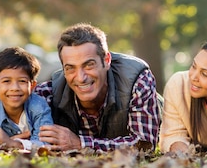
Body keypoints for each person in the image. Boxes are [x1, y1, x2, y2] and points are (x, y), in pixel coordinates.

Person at [35, 23, 161, 151]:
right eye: (70, 68)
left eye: (89, 65)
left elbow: (144, 144)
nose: (80, 78)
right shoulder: (50, 91)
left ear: (106, 60)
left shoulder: (137, 79)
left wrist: (81, 144)